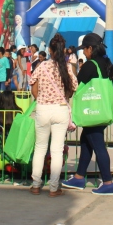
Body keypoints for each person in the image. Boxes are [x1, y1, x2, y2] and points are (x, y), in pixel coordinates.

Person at [62, 33, 113, 195]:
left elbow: (76, 84)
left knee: (98, 145)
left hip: (92, 111)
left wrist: (70, 68)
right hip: (102, 109)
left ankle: (108, 182)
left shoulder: (90, 65)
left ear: (90, 48)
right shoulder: (106, 64)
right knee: (86, 142)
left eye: (84, 49)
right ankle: (79, 177)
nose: (83, 53)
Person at [29, 33, 77, 197]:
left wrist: (41, 100)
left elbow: (33, 88)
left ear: (49, 50)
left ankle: (36, 184)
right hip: (61, 109)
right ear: (63, 50)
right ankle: (54, 187)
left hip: (43, 109)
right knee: (56, 150)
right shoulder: (68, 67)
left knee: (40, 148)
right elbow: (73, 89)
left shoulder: (41, 66)